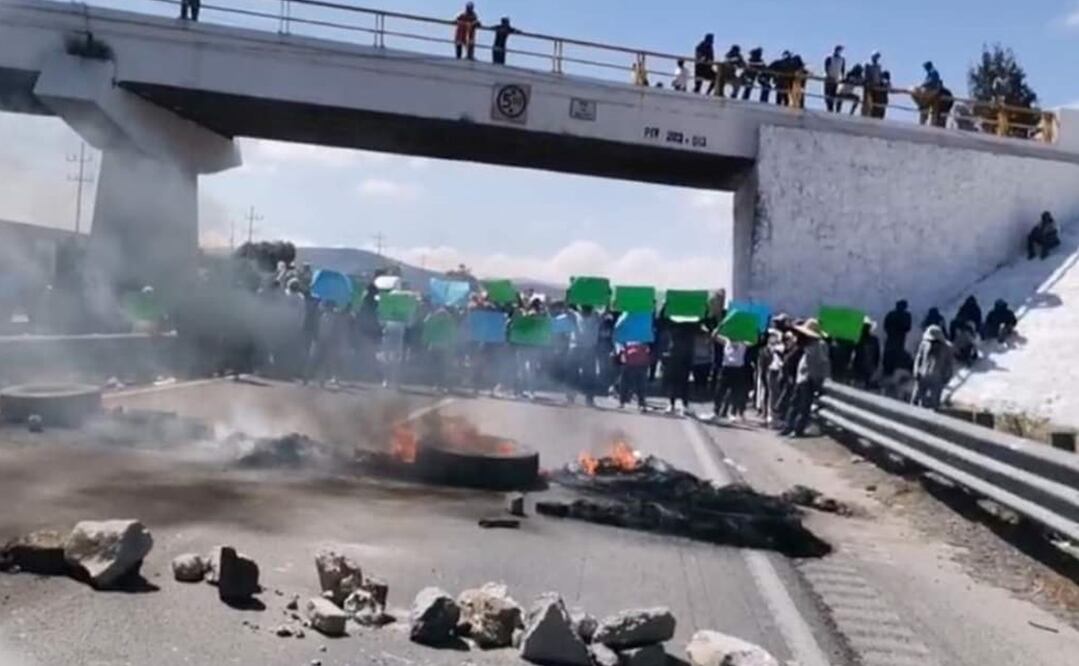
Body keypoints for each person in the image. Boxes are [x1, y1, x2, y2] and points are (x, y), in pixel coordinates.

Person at [780, 319, 830, 438]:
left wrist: (821, 377)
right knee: (795, 404)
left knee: (803, 406)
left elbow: (823, 362)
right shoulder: (807, 344)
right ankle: (788, 427)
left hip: (809, 378)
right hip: (801, 377)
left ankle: (797, 429)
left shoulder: (819, 344)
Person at [911, 325, 954, 409]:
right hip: (923, 375)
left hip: (937, 378)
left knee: (934, 402)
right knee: (916, 399)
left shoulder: (946, 348)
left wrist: (946, 377)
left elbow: (948, 364)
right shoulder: (924, 344)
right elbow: (919, 358)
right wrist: (916, 371)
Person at [711, 333, 748, 421]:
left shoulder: (743, 343)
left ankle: (733, 413)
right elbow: (714, 336)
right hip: (726, 369)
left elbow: (754, 341)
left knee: (735, 392)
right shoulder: (726, 341)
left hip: (738, 369)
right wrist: (721, 325)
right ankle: (716, 411)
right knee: (719, 390)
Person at [618, 342, 650, 411]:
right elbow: (620, 342)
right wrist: (622, 352)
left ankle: (641, 403)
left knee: (641, 382)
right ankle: (622, 401)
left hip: (641, 356)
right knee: (624, 381)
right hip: (628, 355)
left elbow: (648, 344)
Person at [852, 319, 881, 389]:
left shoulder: (859, 339)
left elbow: (854, 353)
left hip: (860, 367)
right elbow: (877, 355)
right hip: (869, 368)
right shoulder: (874, 340)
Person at [824, 45, 846, 112]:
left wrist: (842, 77)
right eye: (839, 50)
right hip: (829, 78)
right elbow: (826, 68)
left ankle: (831, 108)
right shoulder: (829, 58)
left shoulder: (842, 60)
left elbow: (842, 70)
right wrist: (828, 76)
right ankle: (828, 108)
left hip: (836, 79)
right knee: (827, 94)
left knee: (833, 94)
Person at [863, 51, 884, 118]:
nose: (877, 58)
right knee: (867, 101)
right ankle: (865, 114)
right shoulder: (868, 64)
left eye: (878, 57)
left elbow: (879, 76)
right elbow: (866, 75)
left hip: (877, 86)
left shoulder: (879, 66)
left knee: (875, 102)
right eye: (876, 57)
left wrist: (880, 82)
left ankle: (873, 115)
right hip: (869, 86)